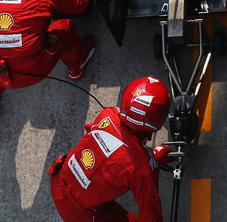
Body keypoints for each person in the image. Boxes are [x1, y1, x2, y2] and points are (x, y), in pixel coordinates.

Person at [49, 75, 171, 222]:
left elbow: (105, 149)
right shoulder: (143, 168)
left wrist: (150, 160)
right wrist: (151, 164)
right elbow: (151, 214)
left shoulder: (108, 114)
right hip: (80, 214)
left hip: (58, 179)